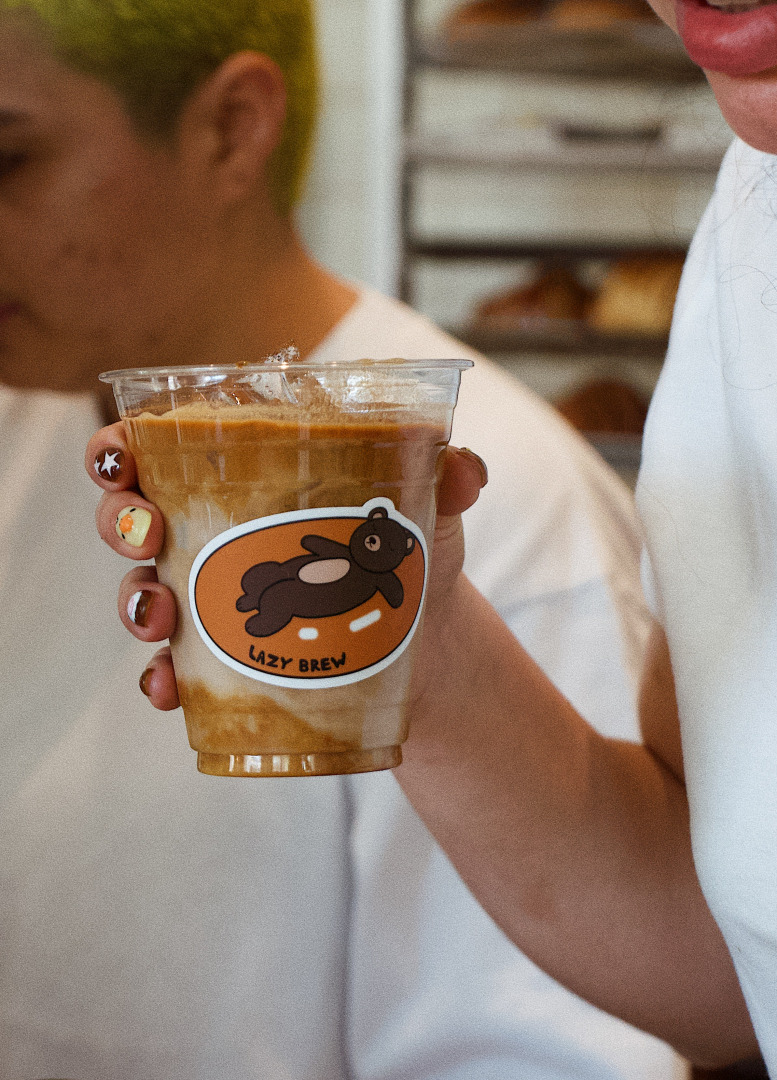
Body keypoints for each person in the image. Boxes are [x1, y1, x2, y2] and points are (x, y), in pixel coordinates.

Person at [0, 0, 696, 1076]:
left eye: (10, 159)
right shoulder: (30, 421)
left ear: (232, 129)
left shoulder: (480, 507)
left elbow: (541, 1051)